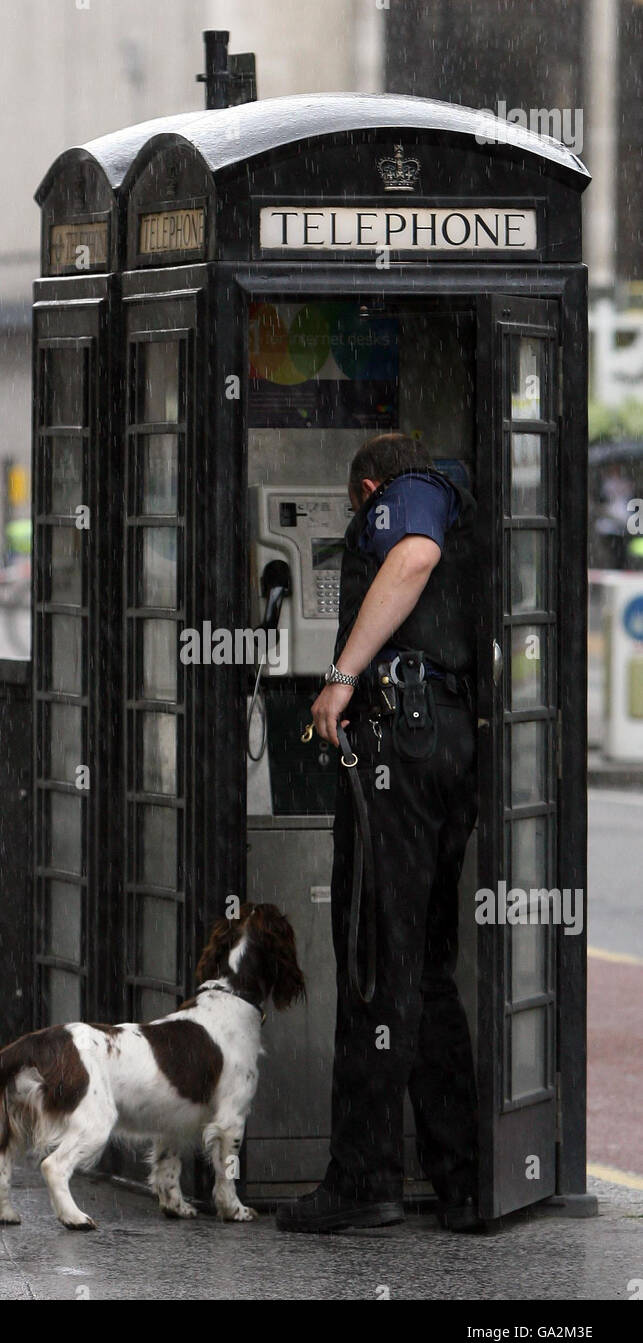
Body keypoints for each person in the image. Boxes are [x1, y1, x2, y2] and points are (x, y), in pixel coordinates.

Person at [276, 432, 483, 1235]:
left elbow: (412, 557)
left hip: (401, 742)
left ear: (366, 490)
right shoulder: (459, 497)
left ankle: (363, 1178)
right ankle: (461, 1179)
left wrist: (339, 676)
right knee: (425, 970)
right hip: (448, 747)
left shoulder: (414, 495)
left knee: (373, 959)